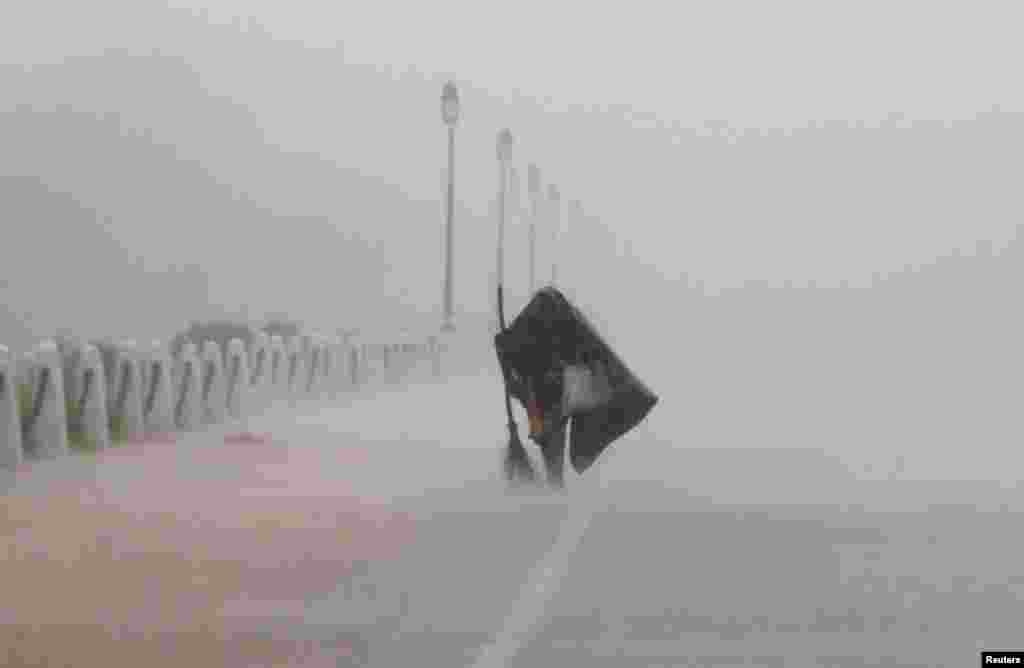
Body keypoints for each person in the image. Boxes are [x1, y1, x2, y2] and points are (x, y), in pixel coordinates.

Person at [494, 287, 658, 488]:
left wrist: (505, 349)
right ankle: (555, 485)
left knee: (550, 441)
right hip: (548, 397)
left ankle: (554, 486)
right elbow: (519, 375)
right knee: (550, 441)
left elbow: (519, 374)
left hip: (551, 397)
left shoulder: (541, 327)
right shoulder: (546, 327)